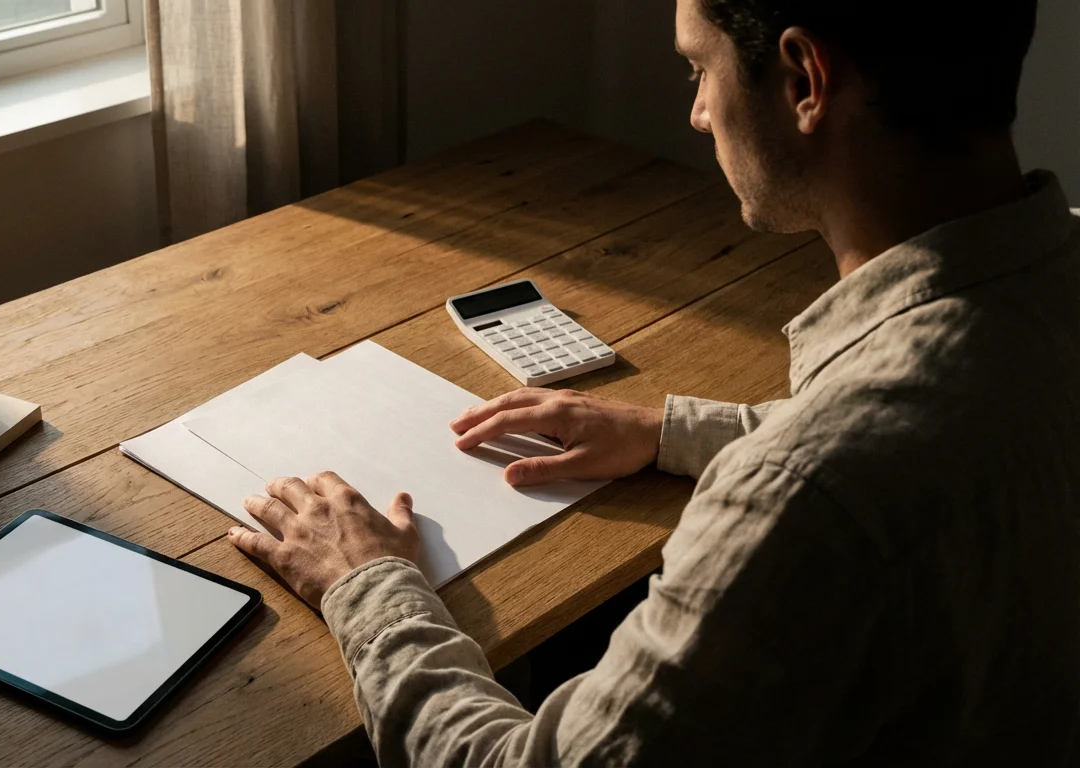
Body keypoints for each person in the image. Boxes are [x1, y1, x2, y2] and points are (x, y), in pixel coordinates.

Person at [228, 0, 1080, 763]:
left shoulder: (806, 496)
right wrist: (670, 431)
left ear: (804, 80)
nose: (699, 112)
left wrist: (367, 585)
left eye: (699, 68)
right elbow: (922, 436)